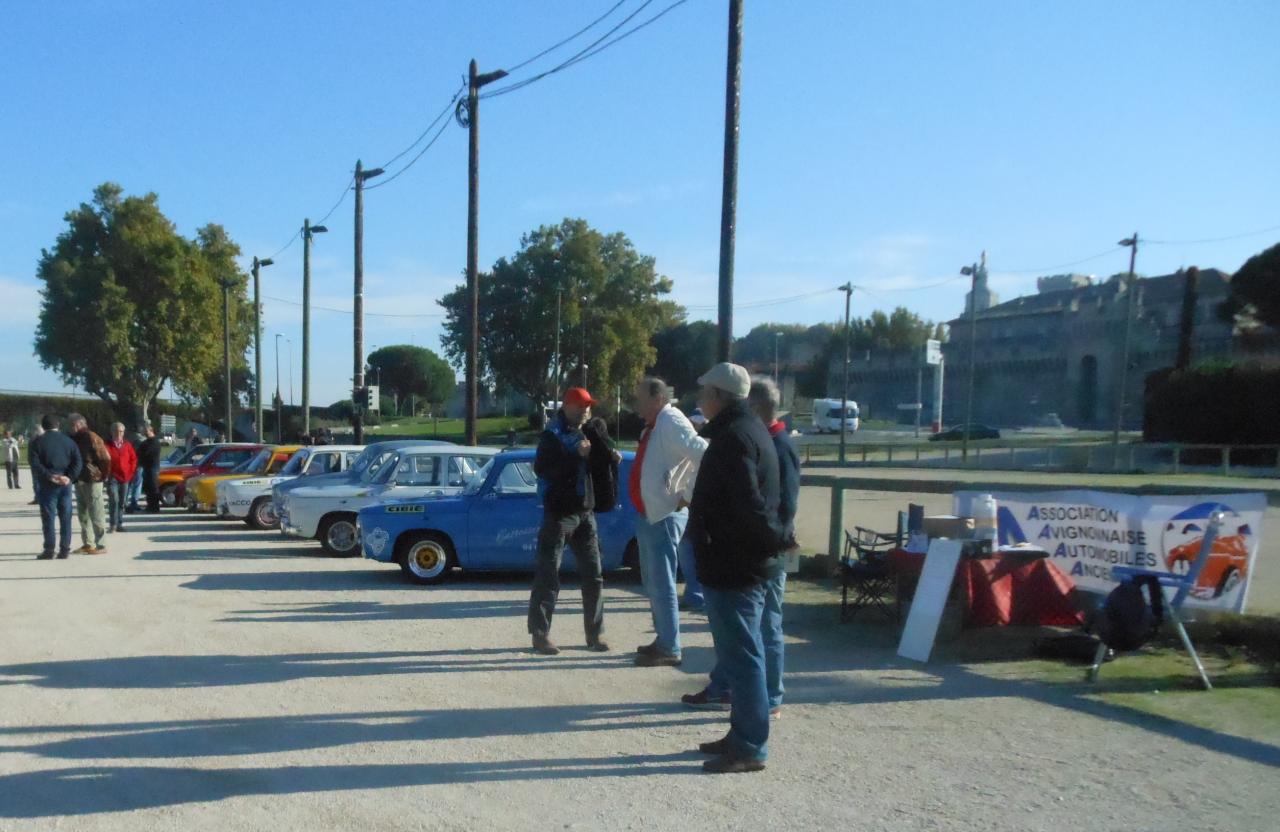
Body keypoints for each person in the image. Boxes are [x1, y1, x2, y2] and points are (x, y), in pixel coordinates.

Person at [685, 363, 784, 774]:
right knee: (740, 655)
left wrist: (769, 542)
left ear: (720, 395)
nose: (700, 397)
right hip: (738, 562)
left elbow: (748, 506)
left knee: (743, 658)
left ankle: (749, 745)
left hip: (735, 565)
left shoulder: (734, 438)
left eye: (705, 390)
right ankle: (741, 735)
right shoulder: (746, 430)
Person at [629, 377, 707, 668]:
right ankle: (663, 639)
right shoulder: (656, 424)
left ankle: (670, 646)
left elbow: (702, 453)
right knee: (654, 582)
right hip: (652, 514)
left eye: (640, 398)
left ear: (658, 397)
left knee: (662, 583)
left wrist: (686, 494)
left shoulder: (671, 419)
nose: (636, 404)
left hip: (663, 515)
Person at [527, 387, 610, 656]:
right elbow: (542, 468)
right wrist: (576, 456)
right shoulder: (552, 435)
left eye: (588, 405)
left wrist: (603, 451)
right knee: (548, 574)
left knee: (594, 574)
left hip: (585, 511)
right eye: (580, 405)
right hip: (559, 513)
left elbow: (597, 467)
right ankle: (540, 635)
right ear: (567, 405)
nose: (585, 410)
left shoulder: (589, 431)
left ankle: (595, 634)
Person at [28, 414, 82, 559]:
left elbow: (34, 463)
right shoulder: (69, 441)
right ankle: (64, 549)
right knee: (66, 517)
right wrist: (69, 476)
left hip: (48, 483)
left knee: (48, 517)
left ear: (44, 426)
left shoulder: (37, 442)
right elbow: (78, 462)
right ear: (58, 425)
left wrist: (49, 475)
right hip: (65, 483)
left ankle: (49, 549)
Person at [68, 413, 111, 554]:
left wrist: (102, 475)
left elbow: (105, 458)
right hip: (79, 480)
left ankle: (101, 544)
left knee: (97, 513)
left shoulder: (91, 437)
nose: (69, 428)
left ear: (79, 424)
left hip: (93, 480)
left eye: (71, 425)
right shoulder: (73, 438)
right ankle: (88, 543)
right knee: (83, 514)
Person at [105, 422, 138, 533]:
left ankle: (119, 523)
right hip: (112, 477)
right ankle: (112, 524)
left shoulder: (127, 445)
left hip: (125, 478)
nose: (119, 434)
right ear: (112, 432)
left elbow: (133, 460)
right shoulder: (107, 445)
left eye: (121, 431)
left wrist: (131, 472)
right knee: (114, 499)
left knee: (122, 502)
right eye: (116, 431)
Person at [137, 425, 163, 513]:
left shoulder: (155, 442)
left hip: (153, 467)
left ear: (151, 431)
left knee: (153, 488)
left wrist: (141, 455)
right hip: (146, 467)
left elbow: (147, 453)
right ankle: (150, 506)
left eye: (146, 431)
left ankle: (155, 507)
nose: (145, 433)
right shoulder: (145, 442)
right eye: (144, 431)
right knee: (148, 488)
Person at [125, 424, 144, 512]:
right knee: (137, 484)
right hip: (138, 464)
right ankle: (134, 502)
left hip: (127, 464)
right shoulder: (141, 441)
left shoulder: (127, 439)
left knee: (127, 484)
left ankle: (124, 501)